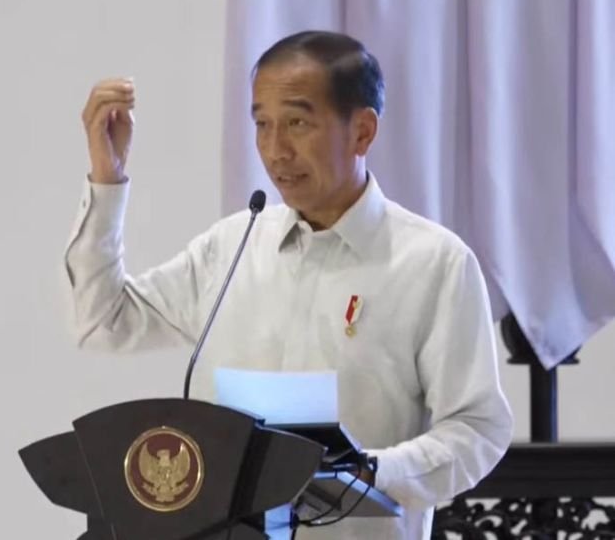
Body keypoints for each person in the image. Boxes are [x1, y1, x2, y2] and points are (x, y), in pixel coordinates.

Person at [65, 30, 513, 540]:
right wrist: (107, 179)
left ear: (362, 131)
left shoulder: (433, 263)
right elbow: (102, 321)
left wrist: (370, 472)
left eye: (298, 123)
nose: (276, 150)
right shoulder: (233, 247)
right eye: (262, 124)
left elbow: (478, 428)